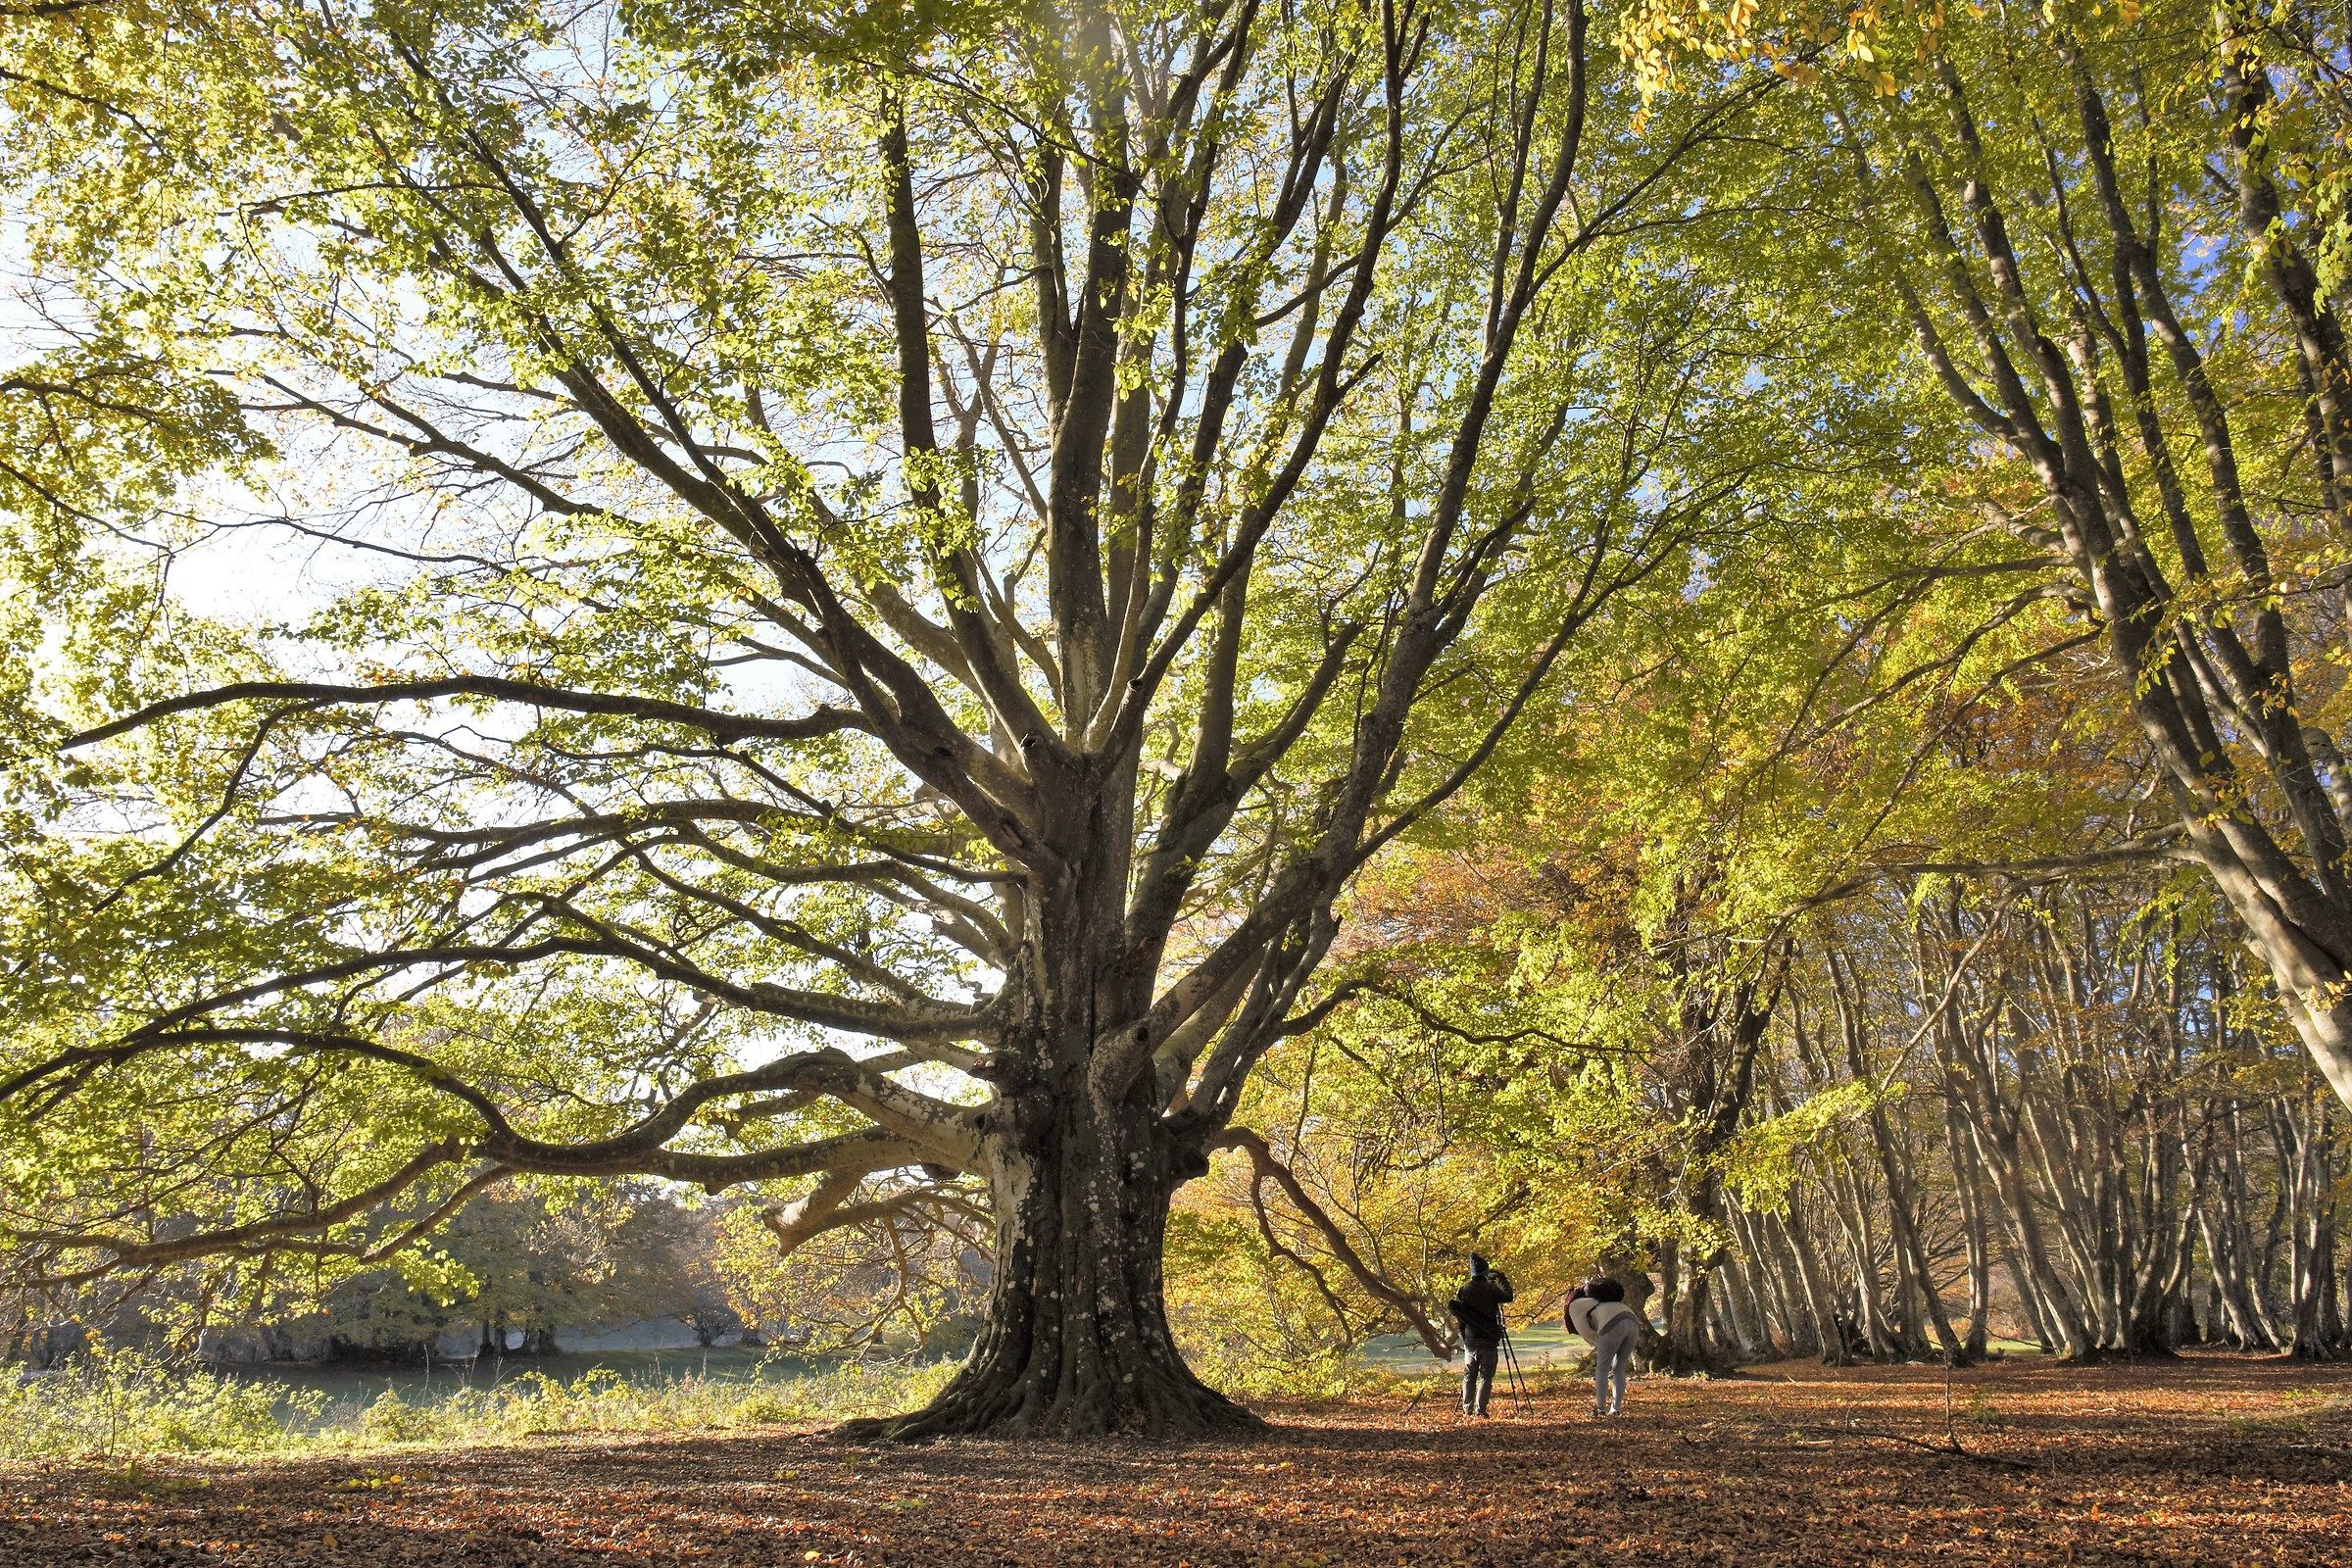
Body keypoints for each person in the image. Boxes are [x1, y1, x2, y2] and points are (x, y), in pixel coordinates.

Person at [1447, 1253, 1516, 1417]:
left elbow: (1461, 1316)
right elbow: (1508, 1296)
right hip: (1489, 1339)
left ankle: (1467, 1410)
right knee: (1486, 1377)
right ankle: (1481, 1410)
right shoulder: (1491, 1289)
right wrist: (1501, 1278)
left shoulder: (1464, 1290)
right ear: (1485, 1271)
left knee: (1469, 1376)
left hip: (1471, 1339)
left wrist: (1464, 1334)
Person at [1566, 1275, 1640, 1417]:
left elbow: (1585, 1331)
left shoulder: (1575, 1306)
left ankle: (1600, 1410)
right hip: (1632, 1320)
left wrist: (1598, 1343)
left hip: (1611, 1323)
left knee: (1602, 1368)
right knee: (1619, 1366)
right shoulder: (1605, 1301)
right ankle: (1616, 1409)